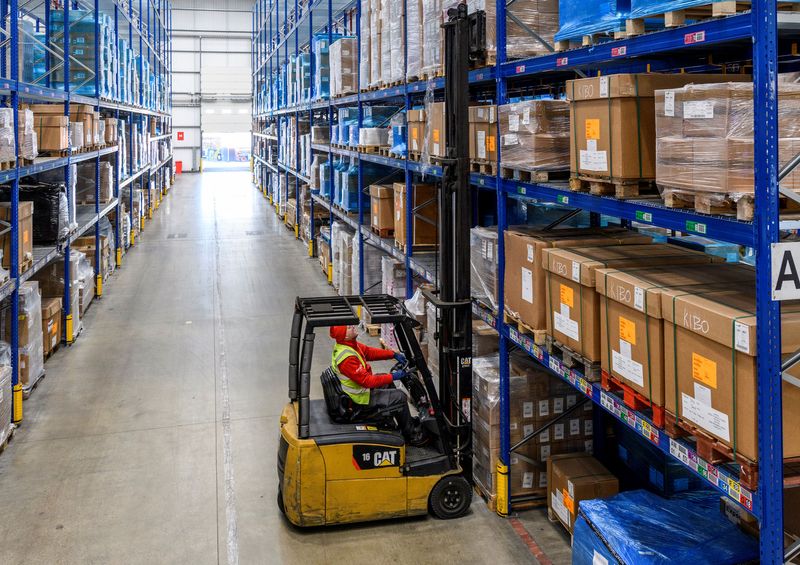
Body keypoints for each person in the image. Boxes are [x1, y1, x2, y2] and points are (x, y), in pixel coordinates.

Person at [329, 325, 427, 446]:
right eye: (349, 328)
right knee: (400, 397)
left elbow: (369, 352)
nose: (353, 327)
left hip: (361, 391)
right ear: (345, 335)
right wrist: (395, 376)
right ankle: (412, 436)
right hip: (359, 401)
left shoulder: (350, 345)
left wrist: (392, 354)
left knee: (386, 381)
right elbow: (368, 381)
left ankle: (405, 423)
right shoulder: (347, 359)